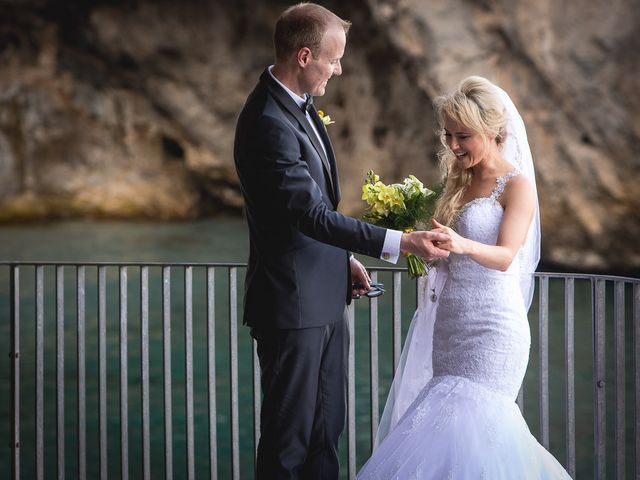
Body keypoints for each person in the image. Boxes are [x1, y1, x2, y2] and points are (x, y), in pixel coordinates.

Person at [233, 3, 449, 479]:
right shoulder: (267, 121)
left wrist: (343, 257)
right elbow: (308, 213)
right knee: (289, 443)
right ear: (306, 56)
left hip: (323, 297)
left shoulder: (299, 107)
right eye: (334, 59)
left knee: (325, 433)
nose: (340, 68)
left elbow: (313, 211)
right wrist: (401, 243)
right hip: (292, 308)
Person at [357, 76, 572, 479]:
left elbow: (508, 255)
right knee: (443, 429)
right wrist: (430, 252)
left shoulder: (517, 185)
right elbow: (453, 253)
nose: (453, 146)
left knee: (475, 427)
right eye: (449, 135)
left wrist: (461, 245)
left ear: (494, 133)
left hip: (493, 329)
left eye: (463, 136)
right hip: (451, 326)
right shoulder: (458, 182)